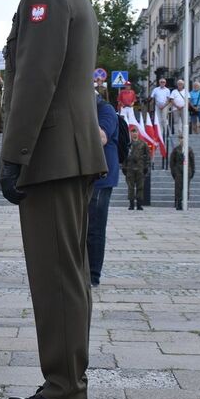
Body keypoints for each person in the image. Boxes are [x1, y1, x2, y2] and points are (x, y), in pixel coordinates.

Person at [0, 0, 107, 399]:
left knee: (55, 279)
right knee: (68, 276)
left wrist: (15, 155)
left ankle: (64, 392)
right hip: (68, 154)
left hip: (51, 157)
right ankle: (63, 383)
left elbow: (37, 78)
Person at [88, 90, 118, 288]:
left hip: (101, 178)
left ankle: (93, 275)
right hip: (84, 177)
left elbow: (102, 138)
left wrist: (85, 115)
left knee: (95, 228)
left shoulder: (105, 110)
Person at [122, 126, 150, 211]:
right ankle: (131, 204)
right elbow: (124, 157)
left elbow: (147, 156)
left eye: (136, 132)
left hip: (140, 168)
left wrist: (146, 166)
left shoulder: (143, 144)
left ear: (138, 133)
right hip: (130, 169)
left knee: (140, 187)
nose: (134, 133)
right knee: (130, 187)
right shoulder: (128, 144)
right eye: (133, 132)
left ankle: (139, 204)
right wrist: (124, 167)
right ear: (131, 133)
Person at [169, 134, 195, 210]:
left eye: (183, 138)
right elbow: (172, 162)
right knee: (178, 187)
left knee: (186, 187)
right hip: (178, 171)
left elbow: (192, 161)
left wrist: (192, 171)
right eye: (180, 138)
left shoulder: (189, 149)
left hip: (187, 170)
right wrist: (174, 171)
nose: (182, 140)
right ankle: (178, 203)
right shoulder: (176, 149)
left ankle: (185, 202)